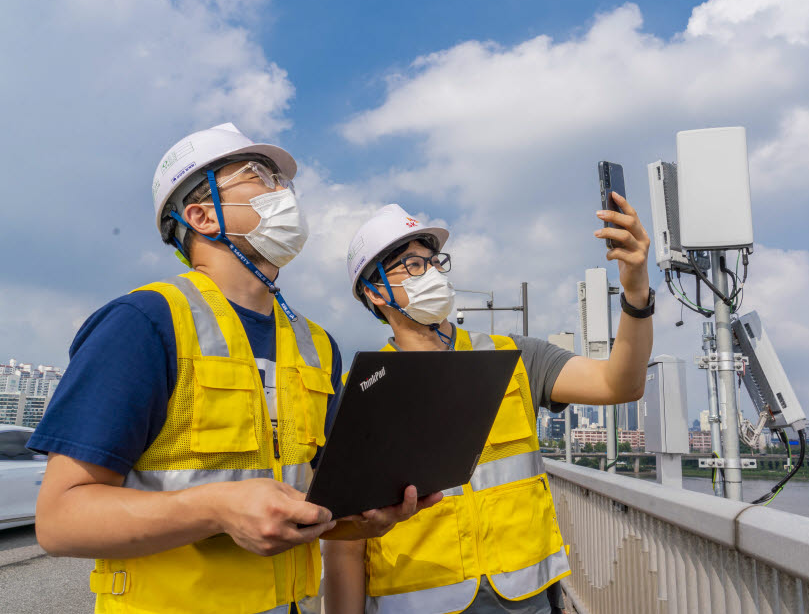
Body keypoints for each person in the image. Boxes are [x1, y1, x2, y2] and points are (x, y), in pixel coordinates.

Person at [28, 123, 439, 614]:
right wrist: (217, 509)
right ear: (201, 216)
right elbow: (59, 520)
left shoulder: (317, 346)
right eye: (259, 177)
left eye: (283, 182)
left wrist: (367, 517)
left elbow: (319, 504)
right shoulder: (144, 323)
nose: (283, 193)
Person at [324, 198, 654, 614]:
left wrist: (636, 292)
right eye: (411, 265)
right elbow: (346, 544)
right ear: (374, 292)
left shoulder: (514, 358)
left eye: (433, 261)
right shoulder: (364, 391)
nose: (430, 273)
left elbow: (620, 383)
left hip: (527, 599)